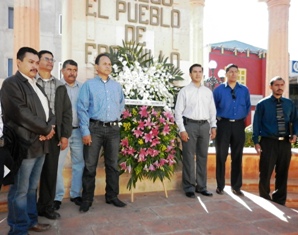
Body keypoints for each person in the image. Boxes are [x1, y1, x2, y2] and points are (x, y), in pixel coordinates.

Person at [1, 47, 55, 234]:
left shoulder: (36, 85)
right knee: (20, 191)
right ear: (18, 62)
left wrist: (50, 128)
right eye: (30, 62)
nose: (35, 65)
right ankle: (18, 229)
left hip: (40, 144)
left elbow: (49, 112)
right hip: (23, 146)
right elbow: (21, 114)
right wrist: (46, 129)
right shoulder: (11, 84)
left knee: (32, 188)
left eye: (36, 62)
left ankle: (31, 221)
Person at [77, 53, 126, 212]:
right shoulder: (89, 85)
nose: (108, 66)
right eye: (104, 63)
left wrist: (114, 119)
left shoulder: (116, 86)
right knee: (90, 166)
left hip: (113, 130)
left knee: (112, 165)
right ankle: (87, 199)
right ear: (96, 67)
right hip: (94, 129)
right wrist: (85, 131)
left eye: (110, 64)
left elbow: (121, 105)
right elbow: (82, 109)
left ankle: (112, 196)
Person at [36, 50, 72, 219]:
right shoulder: (30, 83)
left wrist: (64, 135)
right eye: (46, 59)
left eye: (52, 59)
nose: (50, 62)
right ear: (37, 61)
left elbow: (66, 113)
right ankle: (30, 209)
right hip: (34, 136)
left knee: (50, 173)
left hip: (54, 136)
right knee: (31, 174)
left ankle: (46, 207)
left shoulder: (60, 86)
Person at [252, 76, 298, 206]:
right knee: (265, 172)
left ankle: (280, 200)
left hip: (285, 143)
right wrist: (256, 141)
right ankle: (265, 199)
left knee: (283, 173)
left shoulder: (289, 104)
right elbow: (256, 123)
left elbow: (295, 120)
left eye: (282, 85)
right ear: (271, 87)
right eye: (277, 85)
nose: (279, 87)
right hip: (268, 142)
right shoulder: (262, 104)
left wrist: (295, 133)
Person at [175, 64, 217, 198]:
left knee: (202, 157)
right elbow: (178, 112)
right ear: (190, 74)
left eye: (200, 71)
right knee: (188, 157)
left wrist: (213, 126)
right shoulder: (185, 91)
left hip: (205, 126)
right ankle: (189, 187)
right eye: (195, 72)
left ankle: (202, 186)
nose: (198, 74)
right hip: (190, 126)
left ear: (203, 74)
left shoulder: (208, 92)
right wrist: (182, 130)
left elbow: (212, 111)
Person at [213, 63, 251, 196]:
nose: (233, 74)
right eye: (231, 71)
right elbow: (213, 108)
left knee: (237, 156)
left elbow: (247, 107)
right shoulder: (218, 90)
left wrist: (241, 120)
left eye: (236, 71)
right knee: (221, 156)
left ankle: (236, 186)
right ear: (226, 73)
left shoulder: (244, 90)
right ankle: (220, 186)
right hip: (222, 125)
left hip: (238, 126)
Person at [53, 60, 84, 210]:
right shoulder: (57, 87)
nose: (72, 73)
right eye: (69, 69)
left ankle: (75, 194)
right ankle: (57, 197)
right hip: (62, 133)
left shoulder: (83, 88)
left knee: (79, 164)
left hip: (78, 131)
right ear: (62, 71)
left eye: (75, 70)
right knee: (57, 165)